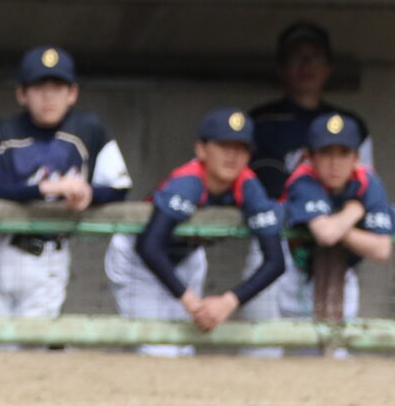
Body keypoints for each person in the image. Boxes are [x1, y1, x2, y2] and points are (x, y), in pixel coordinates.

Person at [103, 109, 285, 357]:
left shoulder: (249, 185)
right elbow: (149, 247)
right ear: (201, 149)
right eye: (223, 145)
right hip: (139, 259)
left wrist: (228, 302)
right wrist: (190, 301)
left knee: (184, 348)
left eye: (241, 147)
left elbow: (275, 262)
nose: (232, 154)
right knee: (156, 350)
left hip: (186, 255)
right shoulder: (188, 181)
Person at [0, 46, 130, 321]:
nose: (48, 96)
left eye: (57, 87)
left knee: (31, 347)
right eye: (38, 87)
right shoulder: (5, 131)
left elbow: (119, 187)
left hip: (46, 252)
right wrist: (44, 189)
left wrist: (89, 193)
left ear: (72, 93)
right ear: (22, 93)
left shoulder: (89, 129)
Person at [278, 112, 392, 327]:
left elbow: (382, 250)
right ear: (310, 157)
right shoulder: (303, 180)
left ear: (357, 158)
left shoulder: (368, 181)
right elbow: (326, 234)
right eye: (326, 153)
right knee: (300, 353)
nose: (335, 163)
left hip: (345, 274)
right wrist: (355, 210)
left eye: (343, 153)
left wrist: (342, 225)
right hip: (297, 272)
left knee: (339, 352)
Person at [249, 22, 371, 199]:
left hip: (336, 220)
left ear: (329, 67)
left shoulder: (351, 124)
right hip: (269, 219)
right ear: (281, 67)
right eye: (296, 57)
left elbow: (365, 185)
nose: (306, 65)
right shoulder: (258, 121)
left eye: (315, 57)